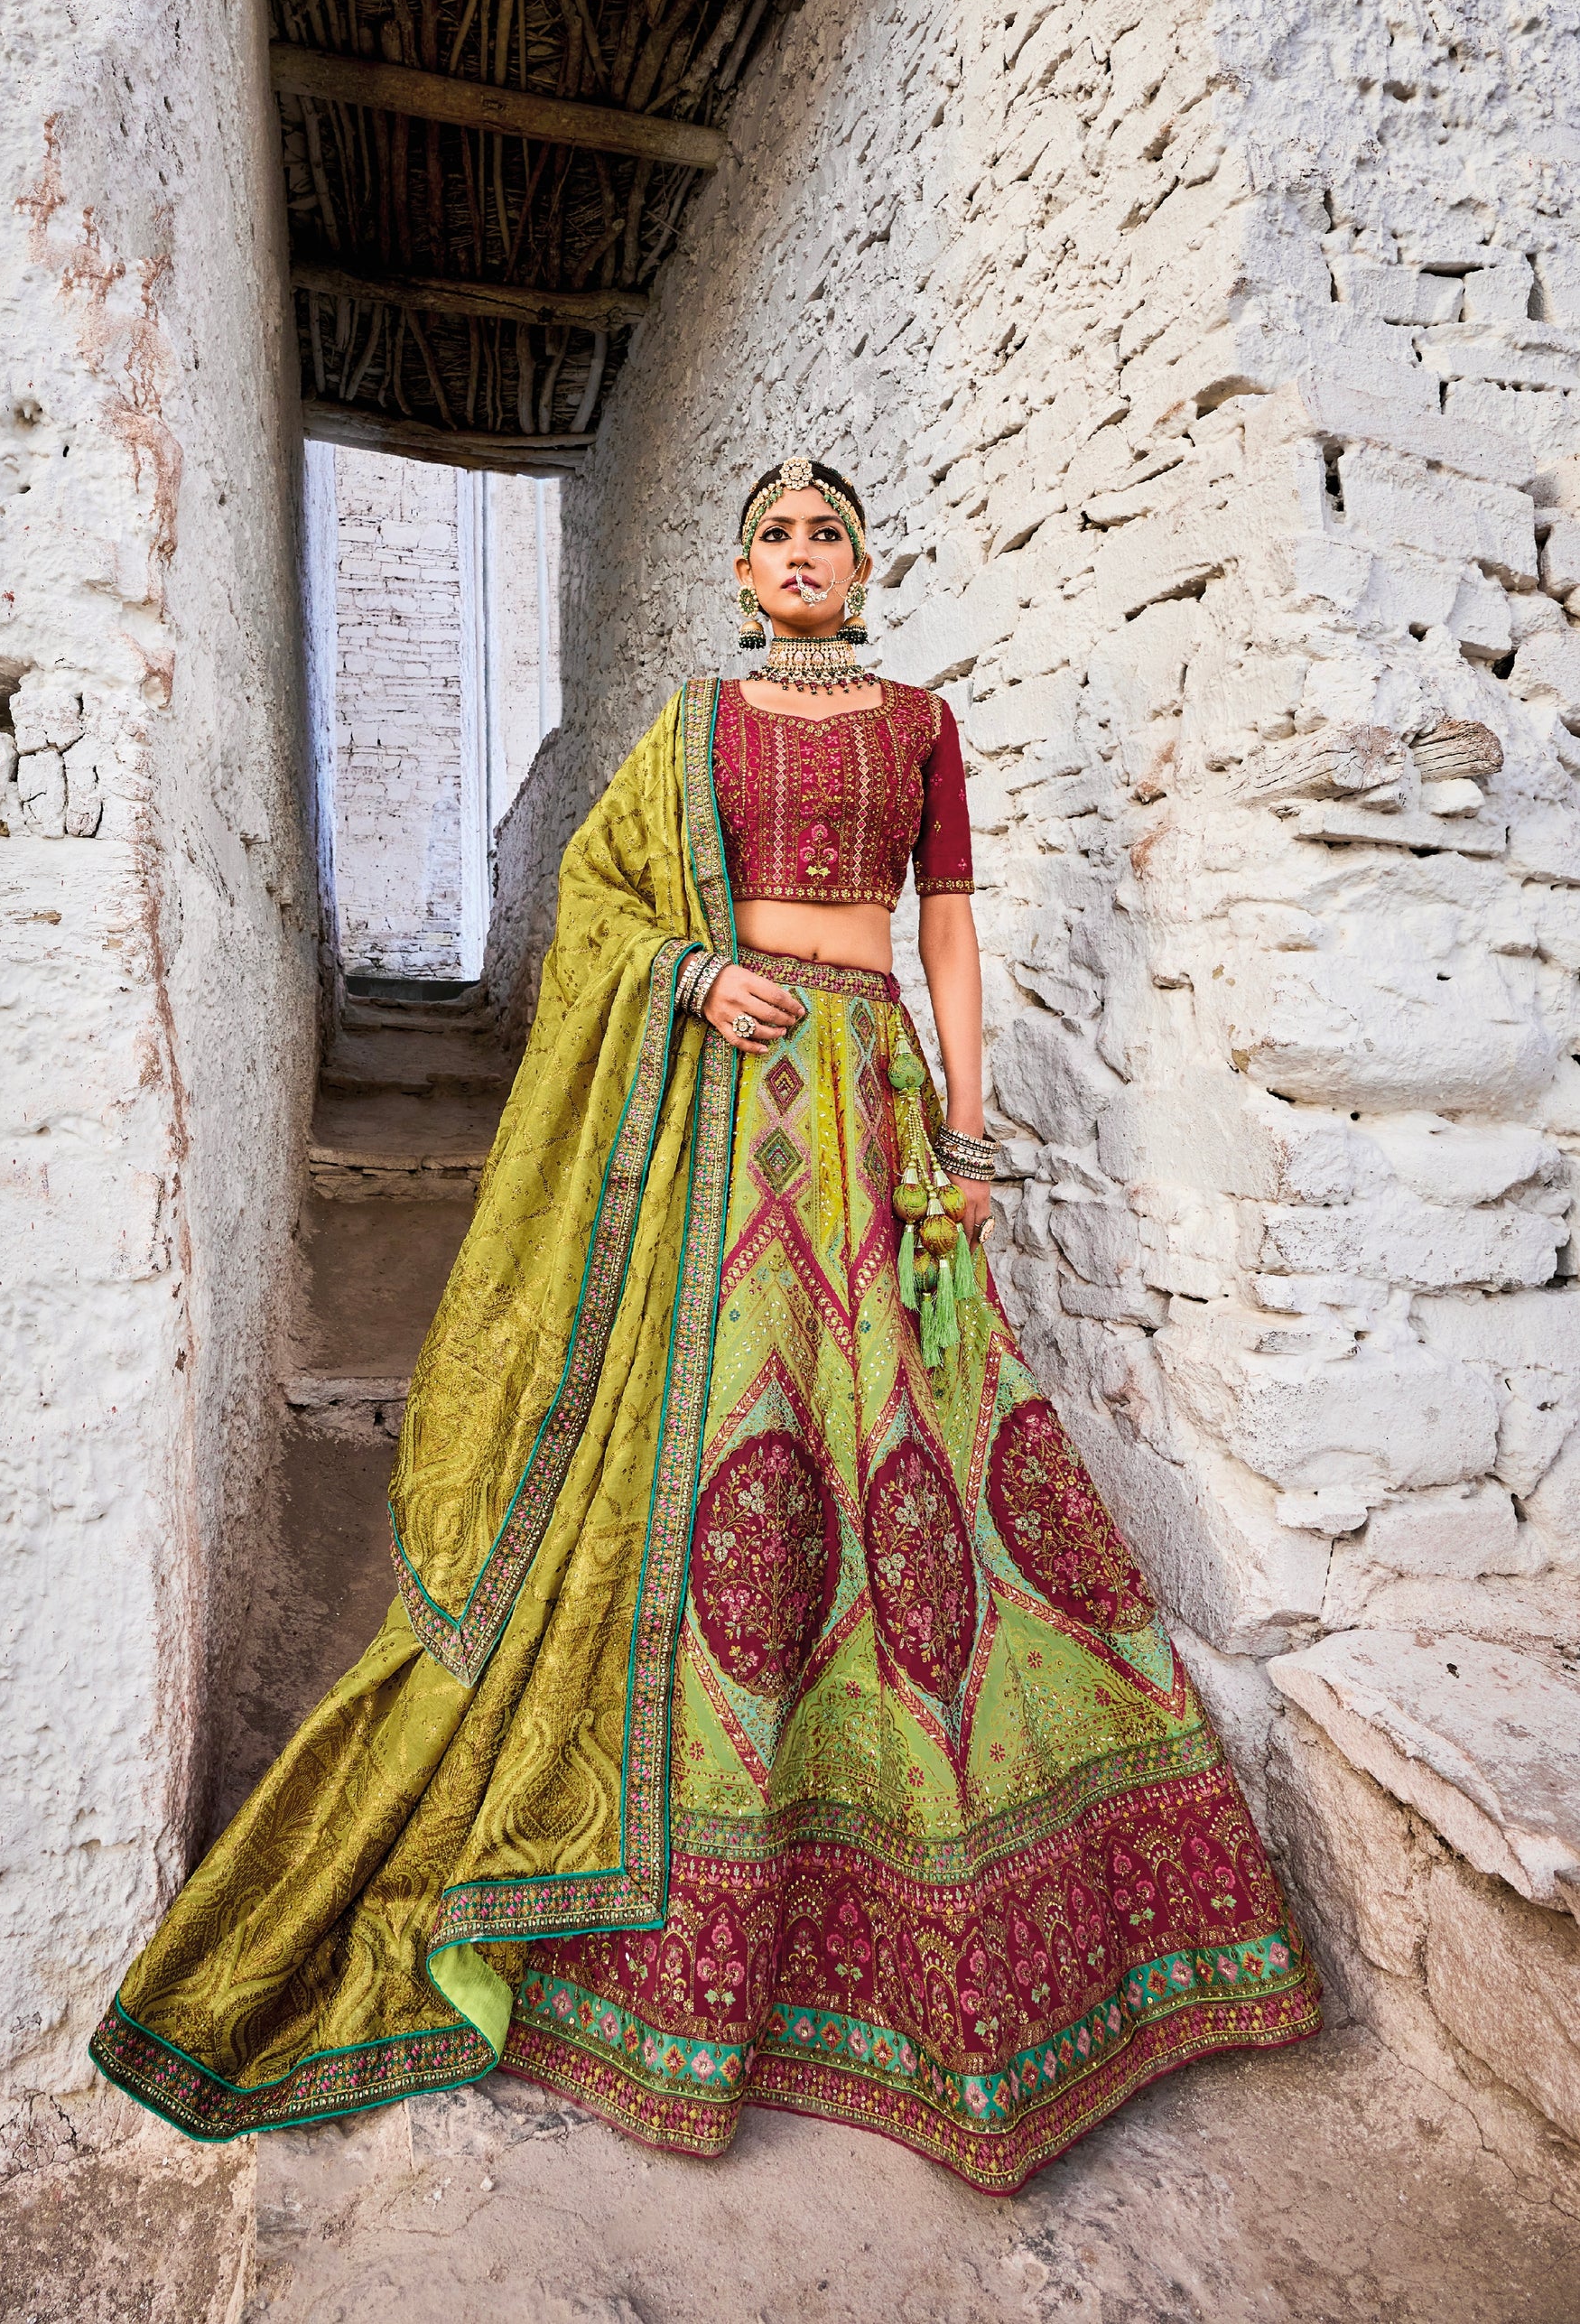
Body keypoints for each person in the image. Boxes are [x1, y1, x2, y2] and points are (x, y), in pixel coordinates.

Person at [92, 456, 1318, 2192]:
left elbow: (946, 927)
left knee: (917, 1444)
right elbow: (599, 908)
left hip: (874, 1103)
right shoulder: (693, 728)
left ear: (865, 560)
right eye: (775, 536)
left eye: (830, 532)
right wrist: (687, 976)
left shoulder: (920, 724)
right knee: (719, 1459)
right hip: (724, 1120)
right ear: (742, 569)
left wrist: (966, 1135)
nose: (802, 555)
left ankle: (926, 1860)